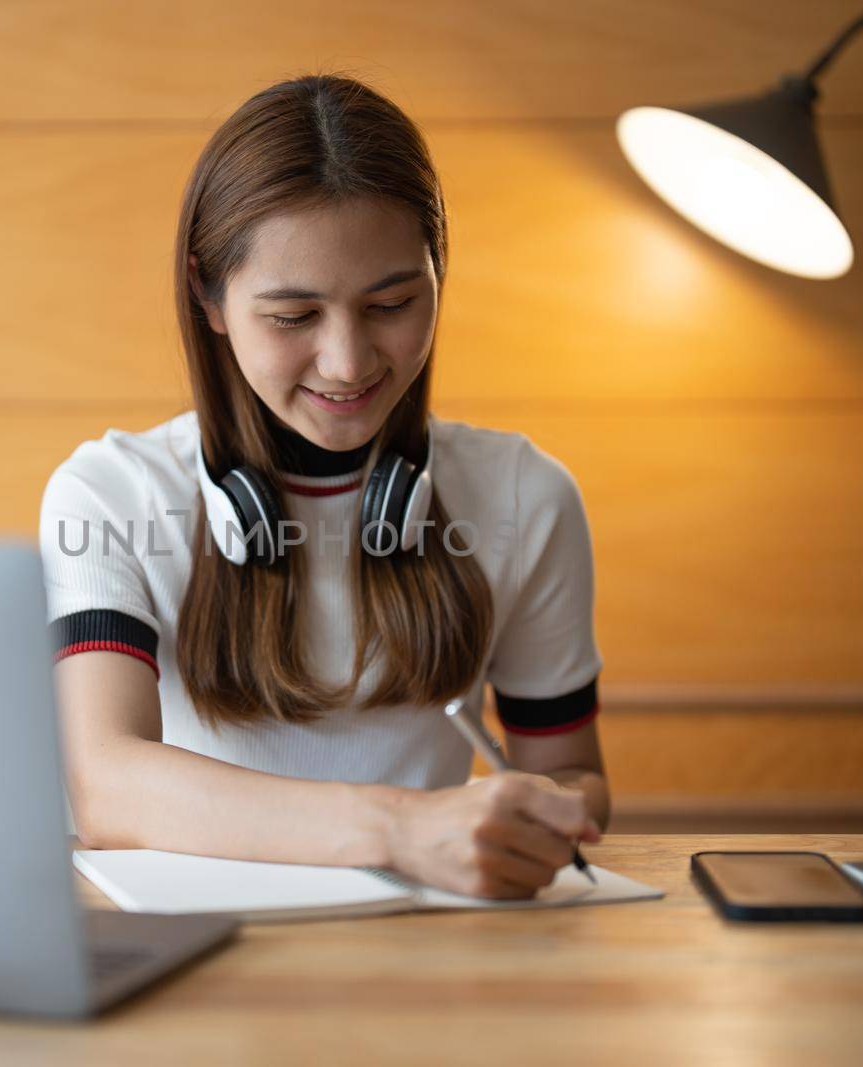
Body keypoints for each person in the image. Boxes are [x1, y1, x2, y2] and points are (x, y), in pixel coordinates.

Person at [40, 73, 607, 901]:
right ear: (210, 295)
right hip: (204, 956)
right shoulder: (108, 494)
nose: (348, 362)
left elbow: (573, 773)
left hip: (441, 949)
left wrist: (543, 812)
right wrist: (399, 828)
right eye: (294, 317)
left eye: (392, 302)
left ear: (438, 276)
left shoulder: (529, 495)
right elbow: (107, 786)